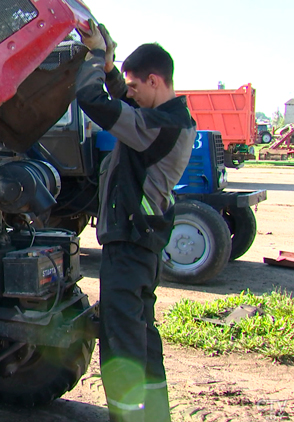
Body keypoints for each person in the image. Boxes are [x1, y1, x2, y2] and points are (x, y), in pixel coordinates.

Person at [75, 20, 196, 422]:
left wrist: (94, 57)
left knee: (122, 346)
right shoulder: (173, 119)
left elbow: (92, 99)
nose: (131, 92)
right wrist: (112, 68)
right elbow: (123, 100)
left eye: (135, 85)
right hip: (142, 246)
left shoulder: (155, 126)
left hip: (128, 247)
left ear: (156, 80)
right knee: (143, 340)